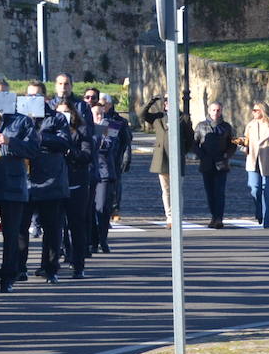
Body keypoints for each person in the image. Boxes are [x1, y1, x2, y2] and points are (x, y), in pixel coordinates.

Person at [0, 80, 41, 292]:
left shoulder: (23, 122)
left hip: (12, 184)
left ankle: (8, 277)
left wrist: (8, 141)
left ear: (10, 96)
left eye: (3, 94)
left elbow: (33, 149)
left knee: (11, 233)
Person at [24, 82, 73, 285]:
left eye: (36, 96)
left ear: (45, 98)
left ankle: (50, 268)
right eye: (29, 96)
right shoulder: (21, 118)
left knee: (52, 229)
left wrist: (40, 137)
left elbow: (64, 142)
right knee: (20, 228)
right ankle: (18, 267)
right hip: (25, 180)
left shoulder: (57, 118)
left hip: (51, 181)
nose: (32, 99)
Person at [140, 94, 194, 228]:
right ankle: (170, 217)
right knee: (166, 190)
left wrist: (182, 151)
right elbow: (142, 114)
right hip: (162, 158)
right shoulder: (158, 117)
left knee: (178, 190)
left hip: (177, 158)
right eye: (166, 102)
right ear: (164, 105)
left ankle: (178, 217)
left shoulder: (184, 118)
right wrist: (152, 100)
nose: (169, 104)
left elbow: (190, 139)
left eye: (172, 101)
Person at [55, 101, 92, 278]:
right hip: (55, 183)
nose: (63, 116)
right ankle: (52, 264)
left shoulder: (82, 131)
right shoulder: (50, 131)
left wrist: (69, 150)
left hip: (76, 182)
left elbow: (86, 155)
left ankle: (78, 265)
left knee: (76, 225)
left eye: (66, 113)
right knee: (54, 226)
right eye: (59, 113)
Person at [90, 93, 131, 253]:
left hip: (105, 172)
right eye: (95, 114)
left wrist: (96, 132)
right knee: (90, 209)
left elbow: (106, 145)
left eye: (101, 113)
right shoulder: (86, 127)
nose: (99, 116)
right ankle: (93, 241)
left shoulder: (112, 126)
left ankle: (102, 239)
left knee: (102, 207)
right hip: (89, 172)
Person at [241, 101, 269, 228]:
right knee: (254, 189)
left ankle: (267, 219)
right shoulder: (250, 125)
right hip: (253, 160)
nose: (253, 112)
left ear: (263, 111)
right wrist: (242, 144)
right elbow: (246, 140)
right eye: (253, 110)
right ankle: (259, 210)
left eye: (256, 110)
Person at [193, 102, 237, 229]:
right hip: (206, 163)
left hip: (221, 164)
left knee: (220, 192)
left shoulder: (226, 127)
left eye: (218, 110)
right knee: (210, 193)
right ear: (209, 111)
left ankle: (219, 218)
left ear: (221, 111)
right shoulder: (201, 126)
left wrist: (226, 155)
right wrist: (202, 155)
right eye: (213, 110)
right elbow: (194, 143)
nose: (216, 113)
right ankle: (213, 216)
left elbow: (233, 143)